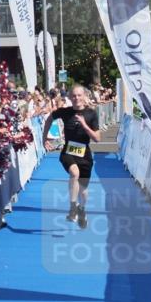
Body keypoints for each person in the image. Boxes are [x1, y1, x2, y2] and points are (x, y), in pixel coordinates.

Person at [40, 84, 100, 229]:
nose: (76, 98)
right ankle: (73, 207)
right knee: (74, 173)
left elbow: (97, 138)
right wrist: (44, 137)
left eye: (79, 95)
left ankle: (82, 210)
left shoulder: (91, 114)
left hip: (84, 153)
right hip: (68, 150)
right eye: (73, 95)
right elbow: (49, 119)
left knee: (84, 191)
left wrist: (85, 126)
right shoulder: (65, 112)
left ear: (85, 97)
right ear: (69, 97)